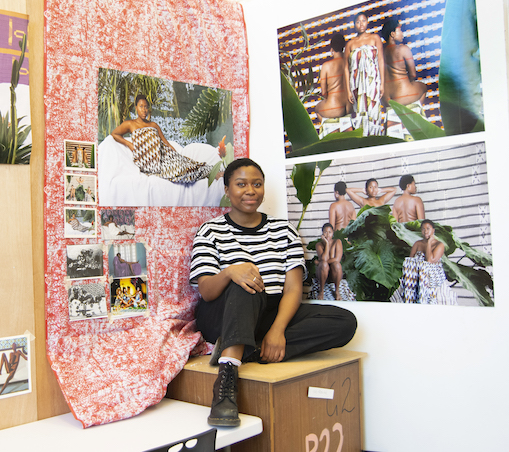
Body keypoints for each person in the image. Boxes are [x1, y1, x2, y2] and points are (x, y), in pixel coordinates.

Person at [190, 158, 357, 427]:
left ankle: (249, 350)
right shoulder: (211, 231)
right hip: (222, 314)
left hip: (269, 313)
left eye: (257, 184)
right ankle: (226, 383)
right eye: (241, 184)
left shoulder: (283, 231)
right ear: (227, 189)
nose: (250, 190)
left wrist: (278, 330)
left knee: (345, 322)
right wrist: (231, 272)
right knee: (248, 283)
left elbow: (292, 288)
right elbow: (207, 292)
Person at [111, 94, 211, 183]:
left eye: (146, 107)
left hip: (165, 155)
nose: (144, 110)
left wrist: (178, 156)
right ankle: (205, 172)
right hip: (149, 160)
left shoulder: (153, 125)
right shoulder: (130, 124)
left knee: (185, 165)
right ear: (136, 107)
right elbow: (114, 134)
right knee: (180, 171)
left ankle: (209, 172)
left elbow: (166, 143)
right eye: (141, 106)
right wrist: (130, 145)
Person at [394, 220, 456, 305]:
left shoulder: (439, 245)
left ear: (433, 230)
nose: (425, 231)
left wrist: (429, 243)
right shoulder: (417, 244)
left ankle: (424, 298)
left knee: (424, 268)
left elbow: (429, 261)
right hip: (417, 273)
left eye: (428, 229)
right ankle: (410, 298)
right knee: (410, 268)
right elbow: (410, 260)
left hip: (433, 273)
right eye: (423, 229)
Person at [344, 12, 385, 136]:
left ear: (367, 21)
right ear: (354, 25)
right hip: (356, 84)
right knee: (359, 111)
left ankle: (375, 137)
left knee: (373, 110)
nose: (361, 24)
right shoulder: (350, 44)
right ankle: (362, 139)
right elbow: (346, 68)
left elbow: (381, 61)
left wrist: (382, 83)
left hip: (373, 82)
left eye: (363, 20)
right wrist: (348, 90)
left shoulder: (375, 38)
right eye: (358, 21)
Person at [380, 19, 427, 107]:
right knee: (423, 87)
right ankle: (414, 111)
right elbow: (413, 75)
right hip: (401, 96)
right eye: (400, 30)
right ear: (392, 34)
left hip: (385, 100)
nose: (402, 33)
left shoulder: (380, 53)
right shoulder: (403, 49)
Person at [315, 34, 352, 121]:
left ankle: (328, 128)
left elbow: (324, 92)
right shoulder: (349, 62)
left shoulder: (326, 66)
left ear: (332, 49)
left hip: (334, 108)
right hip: (349, 107)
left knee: (317, 109)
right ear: (343, 46)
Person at [315, 223, 344, 301]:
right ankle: (321, 291)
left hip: (333, 274)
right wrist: (327, 244)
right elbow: (324, 259)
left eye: (330, 232)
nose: (328, 234)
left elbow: (337, 259)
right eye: (325, 232)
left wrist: (319, 261)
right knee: (324, 264)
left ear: (333, 233)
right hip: (322, 274)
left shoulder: (337, 242)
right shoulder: (319, 245)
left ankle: (337, 291)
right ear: (322, 233)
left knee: (337, 265)